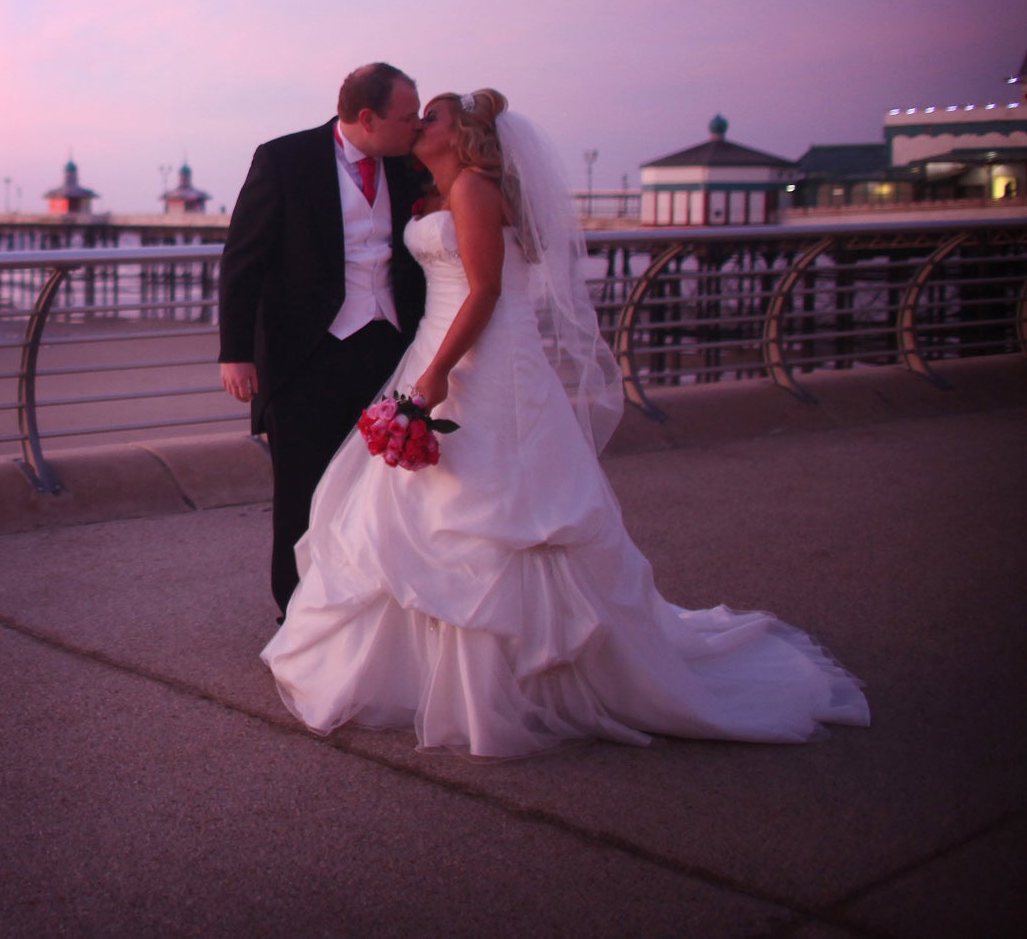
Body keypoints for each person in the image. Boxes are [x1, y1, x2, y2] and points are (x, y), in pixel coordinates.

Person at [261, 89, 870, 758]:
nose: (418, 124)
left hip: (483, 360)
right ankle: (424, 671)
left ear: (461, 134)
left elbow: (487, 290)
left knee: (498, 511)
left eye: (430, 116)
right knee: (420, 507)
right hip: (436, 346)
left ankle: (516, 679)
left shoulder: (473, 188)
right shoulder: (436, 187)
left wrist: (436, 375)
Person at [218, 62, 431, 617]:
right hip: (302, 355)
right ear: (368, 117)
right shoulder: (284, 159)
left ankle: (365, 609)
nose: (418, 125)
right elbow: (243, 260)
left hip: (389, 348)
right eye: (408, 116)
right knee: (301, 492)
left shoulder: (411, 165)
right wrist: (235, 352)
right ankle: (296, 615)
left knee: (376, 492)